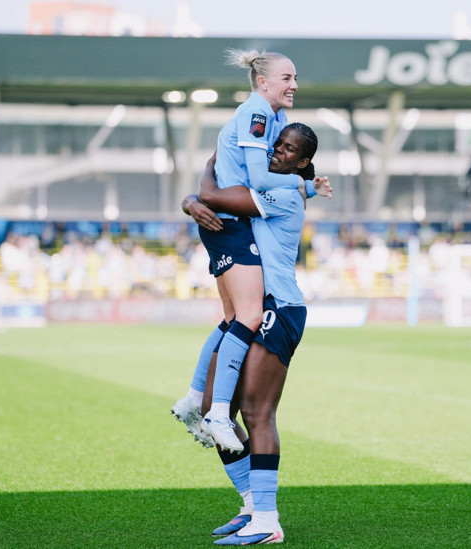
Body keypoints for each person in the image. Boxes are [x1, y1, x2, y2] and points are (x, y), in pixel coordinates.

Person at [183, 122, 329, 545]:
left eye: (288, 150)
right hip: (258, 307)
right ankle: (251, 505)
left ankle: (267, 520)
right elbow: (213, 204)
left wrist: (199, 187)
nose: (277, 152)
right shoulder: (279, 186)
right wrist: (190, 202)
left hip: (280, 308)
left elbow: (212, 197)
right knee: (216, 411)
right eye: (276, 145)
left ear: (302, 163)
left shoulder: (284, 193)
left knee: (256, 412)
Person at [171, 48, 321, 453]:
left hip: (232, 220)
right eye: (286, 78)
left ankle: (194, 396)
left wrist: (305, 184)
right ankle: (217, 410)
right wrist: (300, 186)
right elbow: (258, 175)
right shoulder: (257, 113)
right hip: (233, 221)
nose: (293, 84)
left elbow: (227, 170)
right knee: (249, 315)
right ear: (263, 82)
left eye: (295, 77)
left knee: (233, 318)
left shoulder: (276, 118)